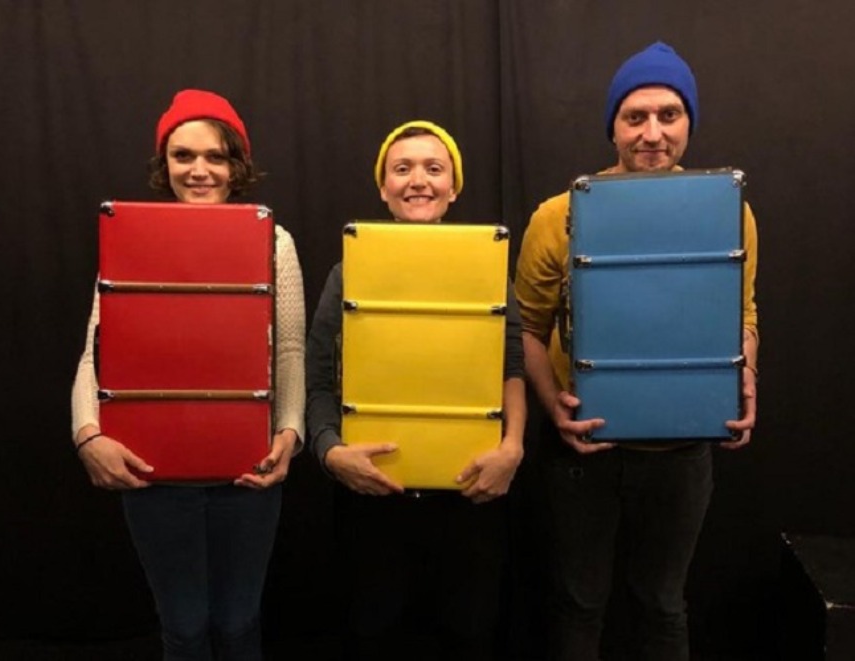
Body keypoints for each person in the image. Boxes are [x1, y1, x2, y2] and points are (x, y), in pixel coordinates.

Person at [514, 42, 758, 661]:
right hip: (584, 448)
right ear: (613, 127)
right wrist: (554, 407)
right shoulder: (558, 215)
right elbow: (527, 328)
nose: (652, 134)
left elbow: (743, 315)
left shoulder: (729, 211)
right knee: (578, 603)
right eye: (635, 117)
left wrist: (746, 377)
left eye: (669, 115)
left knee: (662, 605)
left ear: (689, 123)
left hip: (683, 448)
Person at [71, 89, 306, 660]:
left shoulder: (273, 240)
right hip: (153, 471)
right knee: (182, 625)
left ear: (236, 165)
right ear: (165, 164)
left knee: (238, 622)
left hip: (248, 470)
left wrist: (290, 433)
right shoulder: (130, 234)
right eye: (183, 156)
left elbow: (289, 349)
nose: (199, 170)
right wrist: (88, 436)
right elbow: (95, 350)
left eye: (215, 156)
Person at [306, 120, 526, 660]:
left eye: (434, 168)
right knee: (374, 634)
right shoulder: (347, 272)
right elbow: (318, 376)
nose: (418, 180)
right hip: (373, 496)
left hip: (470, 492)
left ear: (454, 187)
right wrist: (331, 452)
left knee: (469, 635)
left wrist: (512, 448)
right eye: (401, 169)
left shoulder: (489, 267)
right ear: (383, 188)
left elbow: (512, 366)